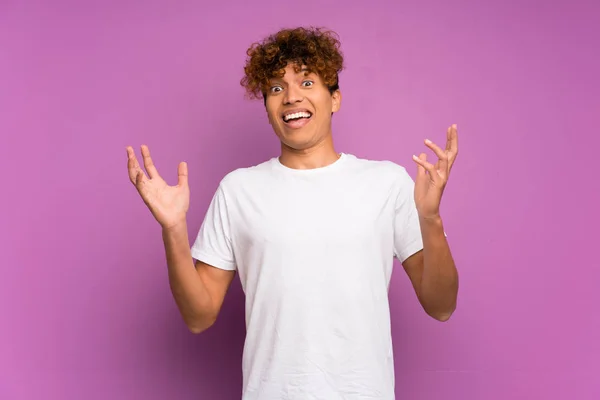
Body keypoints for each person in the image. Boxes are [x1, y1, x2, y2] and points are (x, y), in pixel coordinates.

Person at [126, 27, 459, 400]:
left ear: (335, 99)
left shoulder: (386, 183)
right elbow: (198, 315)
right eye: (276, 88)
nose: (291, 97)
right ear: (267, 105)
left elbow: (441, 305)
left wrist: (431, 219)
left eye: (306, 81)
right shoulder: (239, 190)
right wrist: (173, 229)